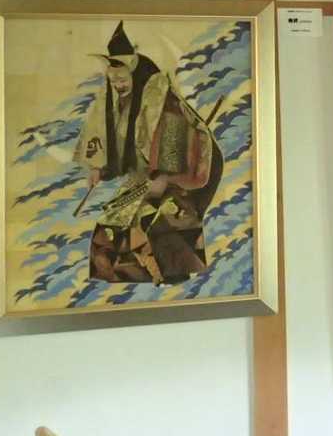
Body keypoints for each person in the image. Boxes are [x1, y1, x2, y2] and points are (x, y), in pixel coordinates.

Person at [75, 22, 223, 284]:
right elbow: (118, 145)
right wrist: (100, 168)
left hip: (181, 171)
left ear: (134, 73)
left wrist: (164, 177)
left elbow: (175, 136)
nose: (118, 85)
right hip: (146, 173)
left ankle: (172, 276)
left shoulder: (159, 98)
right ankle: (126, 276)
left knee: (159, 216)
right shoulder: (117, 102)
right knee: (112, 218)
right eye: (113, 81)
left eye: (122, 79)